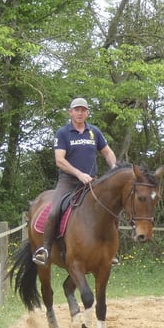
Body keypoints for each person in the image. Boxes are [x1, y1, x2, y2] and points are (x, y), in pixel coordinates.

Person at [33, 97, 118, 266]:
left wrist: (114, 166)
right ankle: (46, 249)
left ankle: (112, 251)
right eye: (77, 110)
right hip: (69, 182)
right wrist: (79, 174)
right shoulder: (63, 133)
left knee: (111, 209)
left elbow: (107, 152)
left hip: (91, 182)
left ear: (87, 113)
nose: (80, 113)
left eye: (83, 110)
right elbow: (60, 160)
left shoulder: (94, 132)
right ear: (70, 112)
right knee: (54, 211)